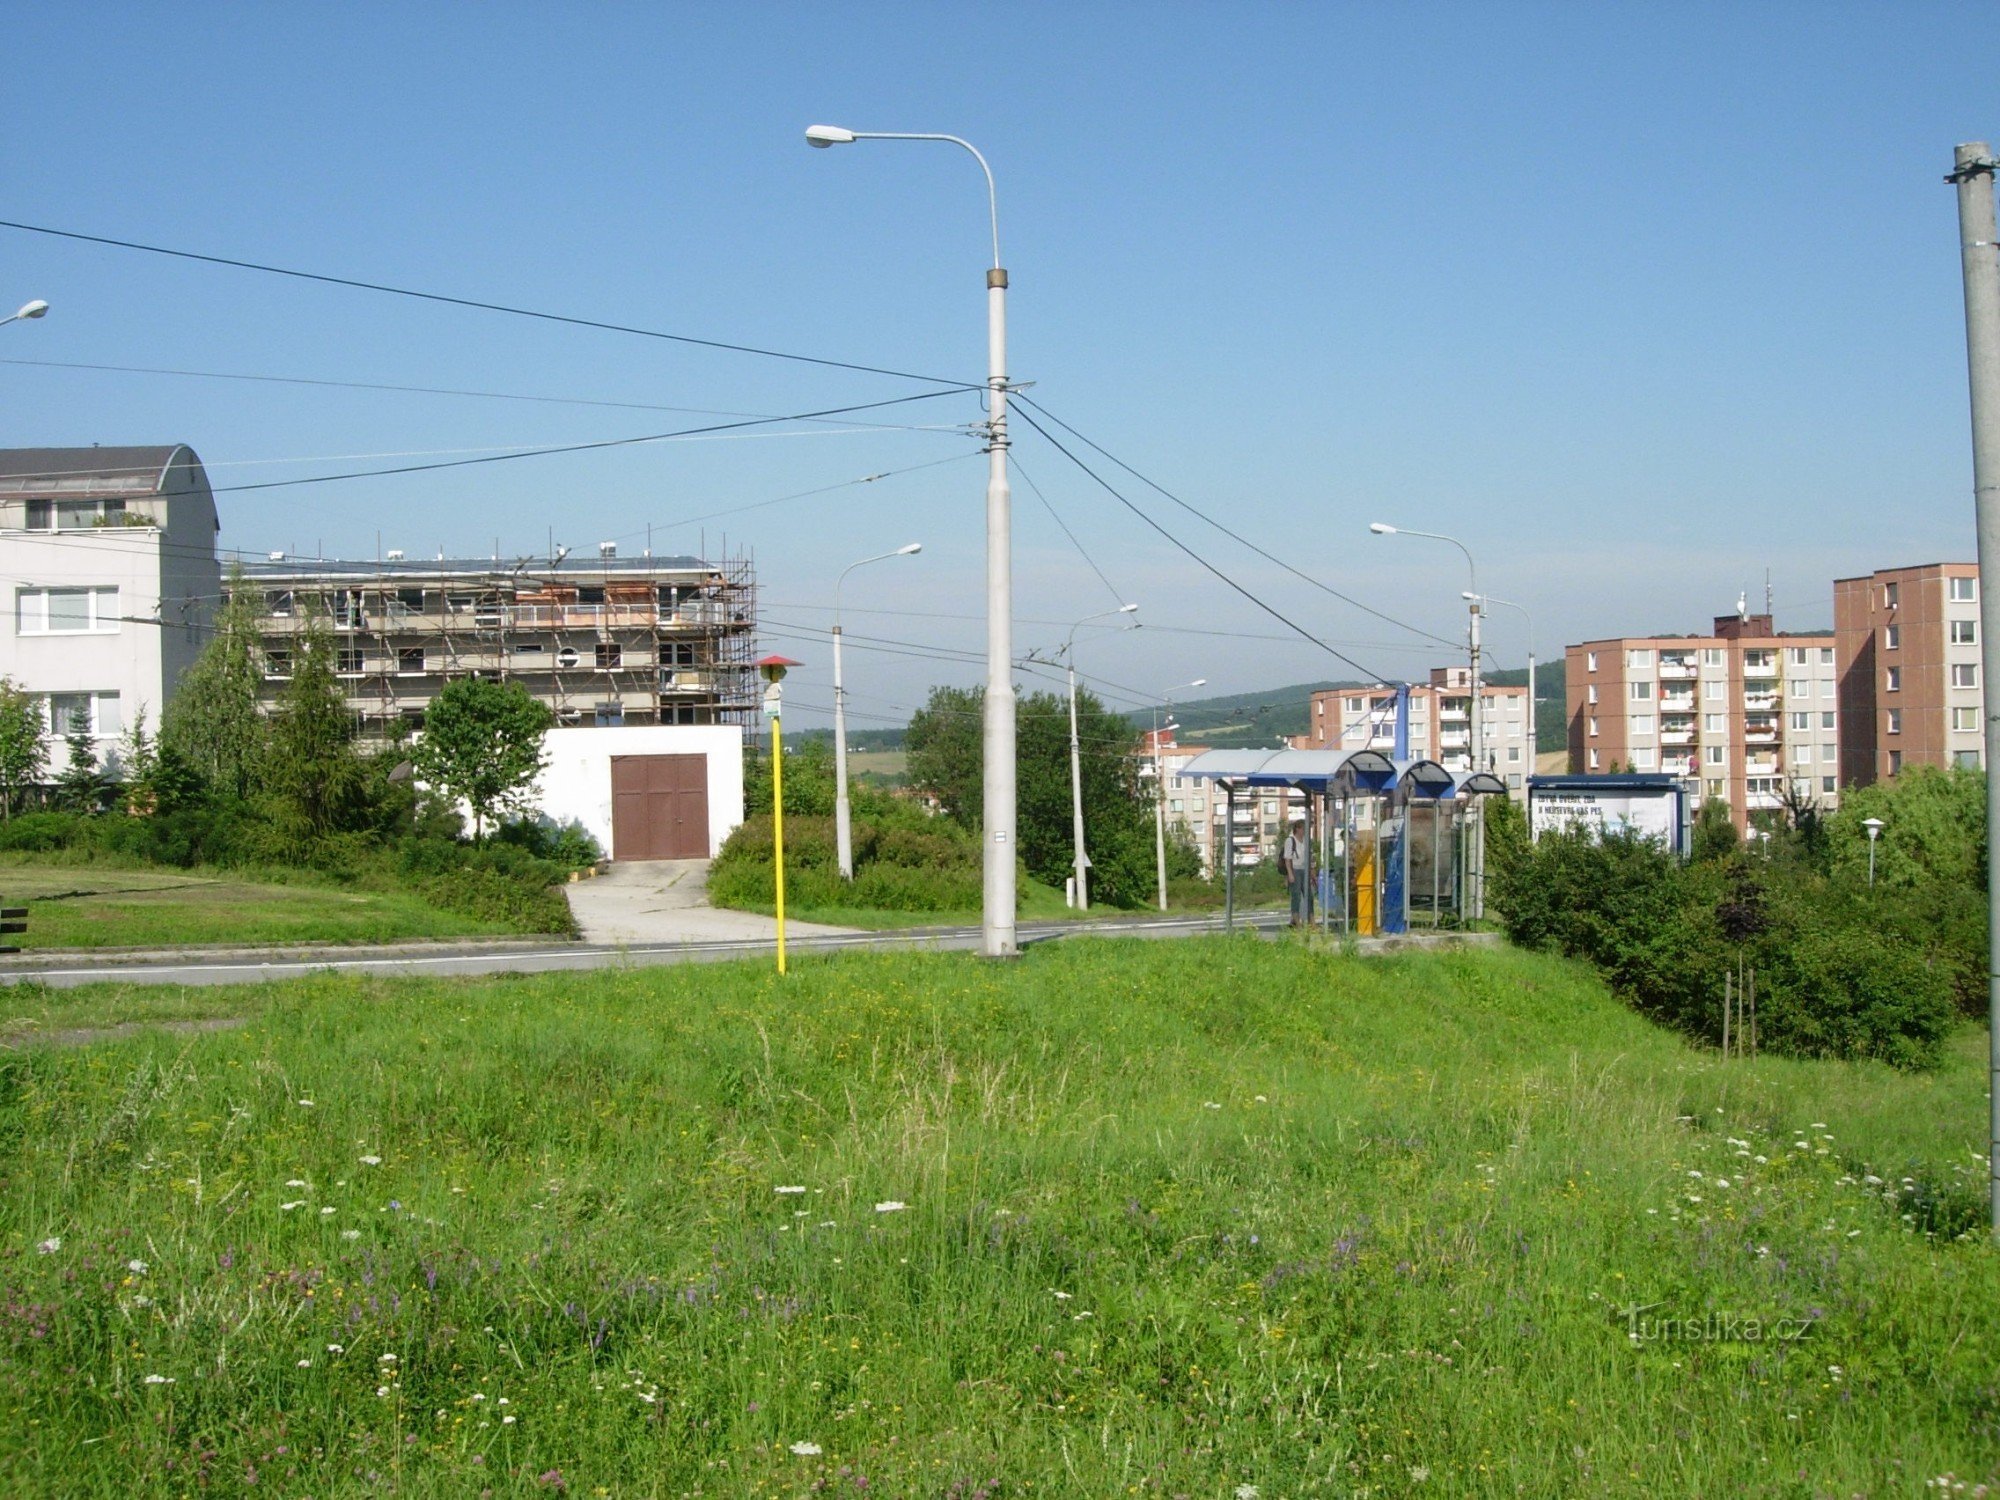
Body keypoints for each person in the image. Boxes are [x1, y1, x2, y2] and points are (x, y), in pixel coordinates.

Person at [1280, 816, 1309, 927]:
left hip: (1304, 869)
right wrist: (1290, 874)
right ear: (1297, 829)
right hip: (1295, 870)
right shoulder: (1290, 840)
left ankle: (1309, 920)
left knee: (1308, 895)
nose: (1305, 831)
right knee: (1296, 895)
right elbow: (1287, 858)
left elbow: (1309, 856)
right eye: (1303, 828)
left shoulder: (1306, 841)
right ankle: (1296, 920)